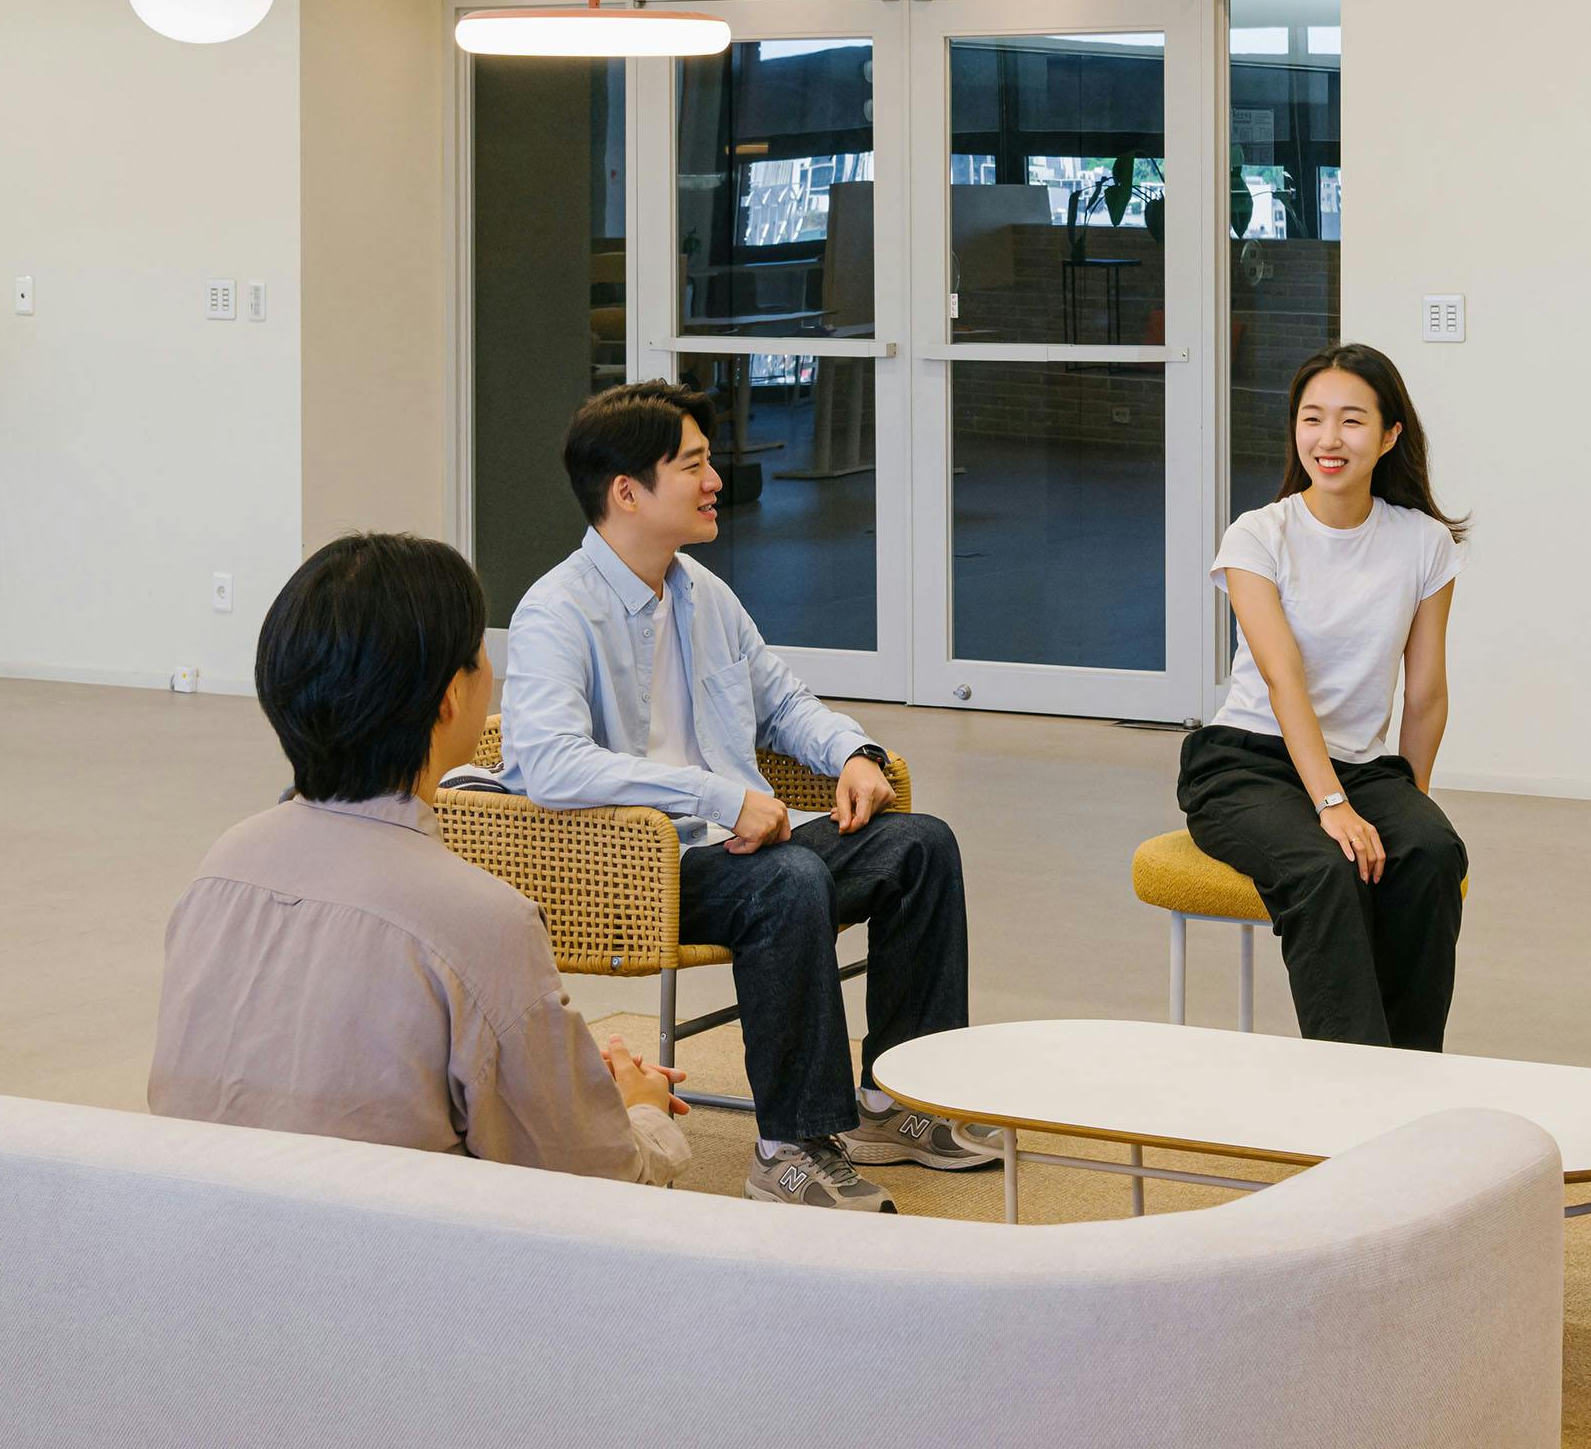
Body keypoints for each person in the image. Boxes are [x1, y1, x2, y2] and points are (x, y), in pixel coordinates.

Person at [501, 380, 996, 1212]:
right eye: (692, 465)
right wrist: (717, 796)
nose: (715, 481)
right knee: (788, 882)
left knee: (920, 845)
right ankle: (789, 1148)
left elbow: (782, 701)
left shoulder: (701, 592)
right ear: (626, 492)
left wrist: (853, 752)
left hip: (741, 846)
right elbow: (549, 764)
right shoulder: (557, 612)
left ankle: (892, 1103)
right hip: (633, 867)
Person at [153, 532, 694, 1187]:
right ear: (448, 698)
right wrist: (641, 1110)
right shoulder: (481, 921)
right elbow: (596, 1179)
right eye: (482, 655)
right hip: (384, 1245)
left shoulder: (221, 867)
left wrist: (565, 1080)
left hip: (196, 1230)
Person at [1178, 343, 1469, 1049]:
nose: (1328, 439)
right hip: (1245, 763)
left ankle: (1410, 1072)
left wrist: (1410, 804)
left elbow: (1426, 694)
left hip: (1362, 768)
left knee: (1430, 851)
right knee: (1324, 868)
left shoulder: (1424, 543)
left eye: (1351, 420)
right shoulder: (1259, 535)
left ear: (1390, 435)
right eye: (1312, 419)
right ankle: (1352, 1086)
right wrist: (1331, 804)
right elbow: (1284, 681)